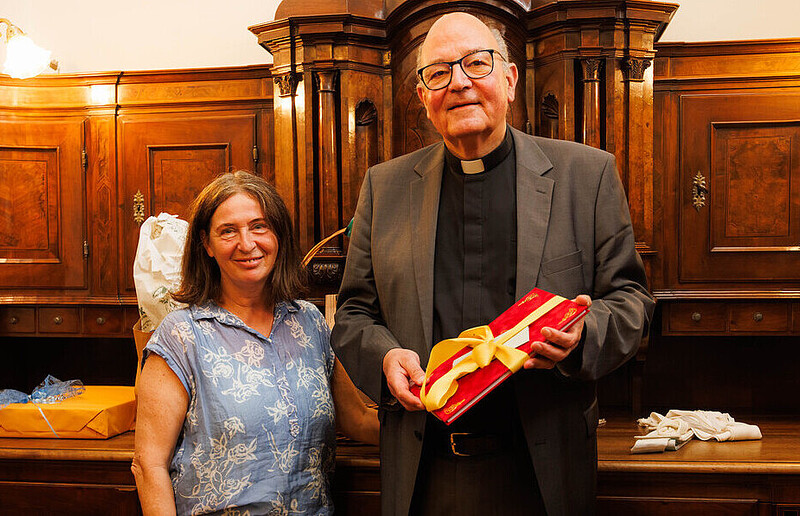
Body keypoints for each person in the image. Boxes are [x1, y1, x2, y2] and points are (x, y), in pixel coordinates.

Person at [331, 12, 655, 516]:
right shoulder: (384, 187)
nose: (458, 83)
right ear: (423, 97)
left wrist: (581, 336)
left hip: (544, 469)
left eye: (476, 64)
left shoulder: (585, 176)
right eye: (438, 73)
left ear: (508, 80)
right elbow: (353, 313)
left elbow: (632, 302)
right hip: (424, 470)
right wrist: (384, 359)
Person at [132, 171, 379, 516]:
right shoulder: (181, 335)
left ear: (278, 236)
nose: (247, 243)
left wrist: (441, 412)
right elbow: (148, 465)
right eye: (228, 231)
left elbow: (360, 419)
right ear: (206, 244)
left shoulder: (310, 322)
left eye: (259, 226)